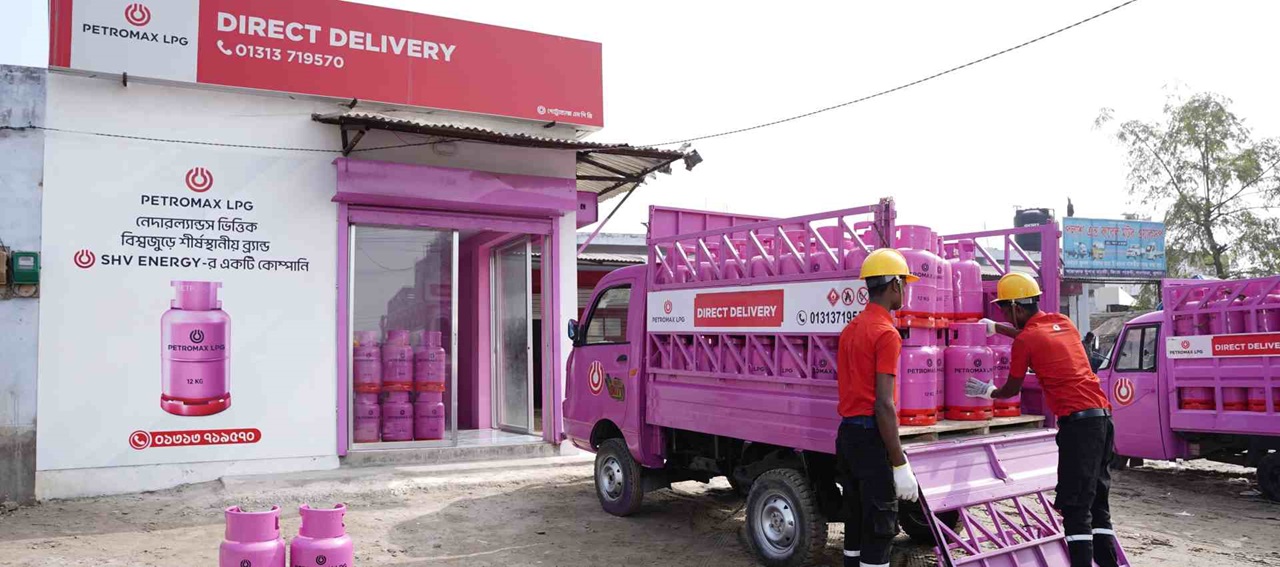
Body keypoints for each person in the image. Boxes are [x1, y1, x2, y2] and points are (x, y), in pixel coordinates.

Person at [965, 273, 1119, 567]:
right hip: (1102, 420)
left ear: (1016, 308)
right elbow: (1035, 336)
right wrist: (997, 328)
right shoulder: (1064, 323)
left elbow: (1012, 386)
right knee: (1097, 504)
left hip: (1079, 427)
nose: (1003, 315)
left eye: (1004, 311)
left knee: (1075, 509)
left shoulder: (1025, 341)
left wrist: (990, 392)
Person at [836, 248, 921, 567]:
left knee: (856, 523)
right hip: (872, 440)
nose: (906, 291)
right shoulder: (886, 333)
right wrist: (899, 464)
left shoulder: (851, 329)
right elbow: (884, 405)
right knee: (880, 527)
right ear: (895, 285)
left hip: (847, 436)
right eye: (905, 284)